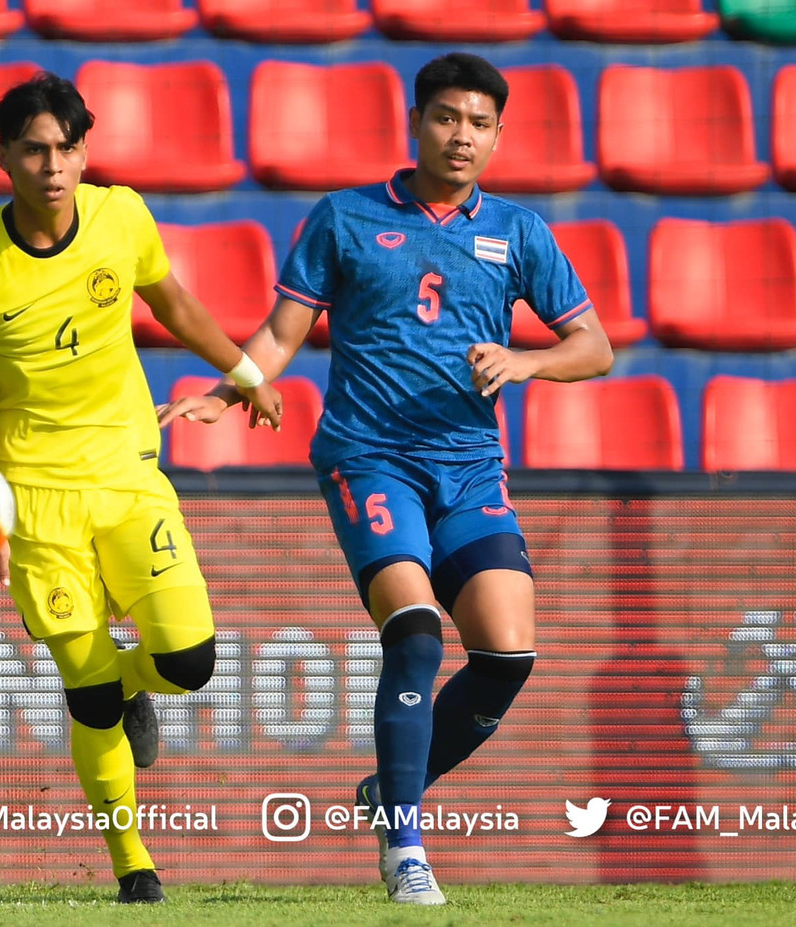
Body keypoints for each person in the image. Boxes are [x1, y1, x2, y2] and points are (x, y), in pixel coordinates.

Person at [160, 52, 613, 904]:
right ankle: (404, 841)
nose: (462, 136)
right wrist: (230, 388)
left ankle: (387, 787)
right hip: (368, 457)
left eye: (480, 124)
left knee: (508, 654)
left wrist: (523, 361)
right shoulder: (348, 218)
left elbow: (595, 347)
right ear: (416, 122)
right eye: (448, 117)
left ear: (499, 136)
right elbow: (282, 331)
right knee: (413, 628)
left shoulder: (518, 232)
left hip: (469, 466)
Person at [0, 72, 284, 904]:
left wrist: (244, 370)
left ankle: (139, 685)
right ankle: (134, 865)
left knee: (191, 662)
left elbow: (172, 302)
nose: (54, 166)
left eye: (67, 148)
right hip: (36, 501)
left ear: (85, 151)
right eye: (34, 149)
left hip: (129, 475)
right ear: (4, 157)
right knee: (85, 689)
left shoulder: (122, 216)